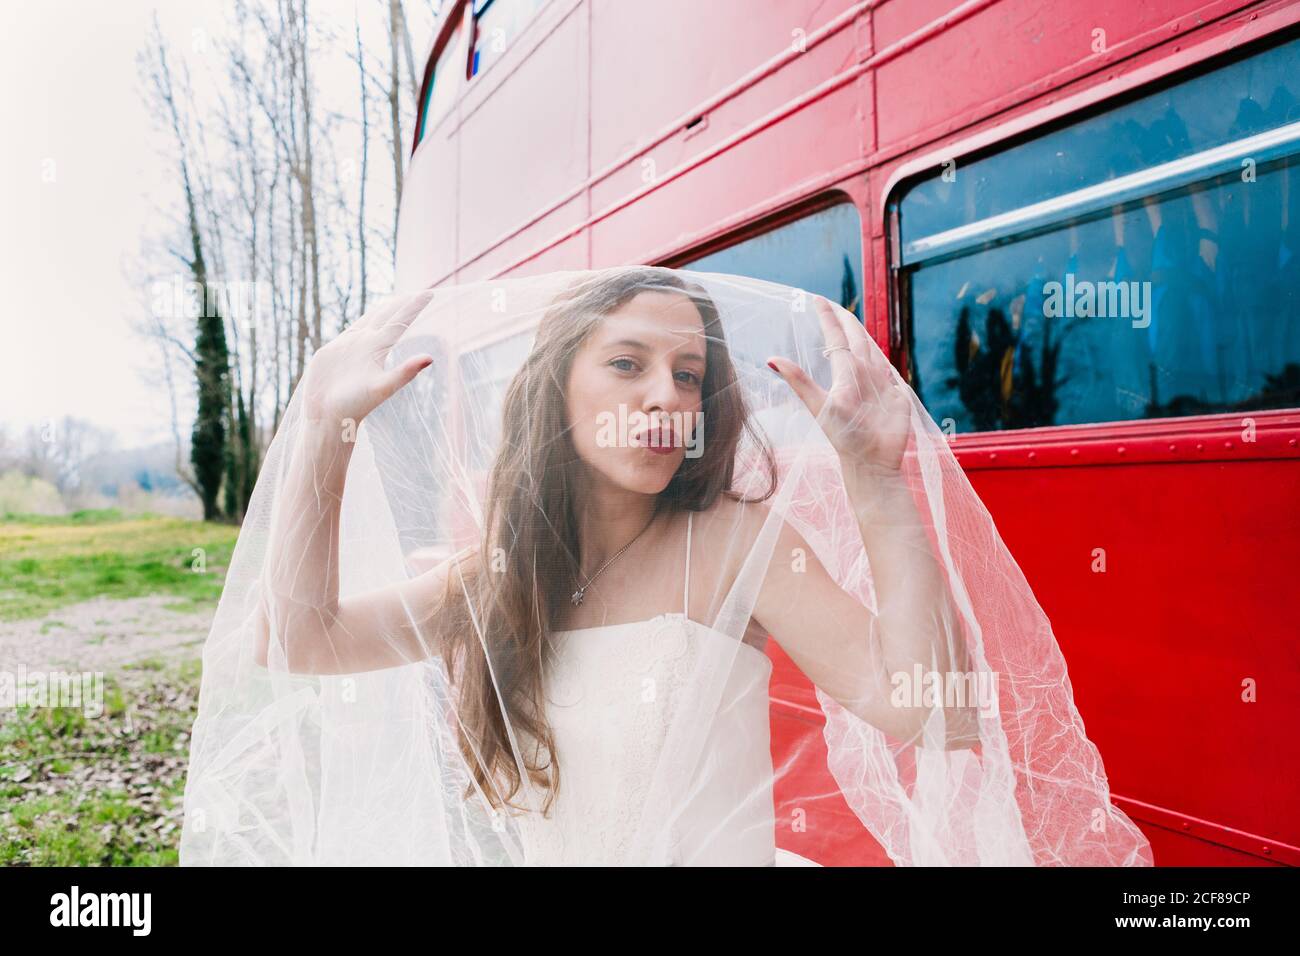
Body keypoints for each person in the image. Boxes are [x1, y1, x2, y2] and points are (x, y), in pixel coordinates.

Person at [180, 266, 1153, 867]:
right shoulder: (496, 575)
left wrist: (875, 481)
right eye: (627, 362)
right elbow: (296, 635)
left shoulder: (737, 542)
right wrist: (323, 425)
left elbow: (931, 708)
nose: (664, 393)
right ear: (556, 383)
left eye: (687, 372)